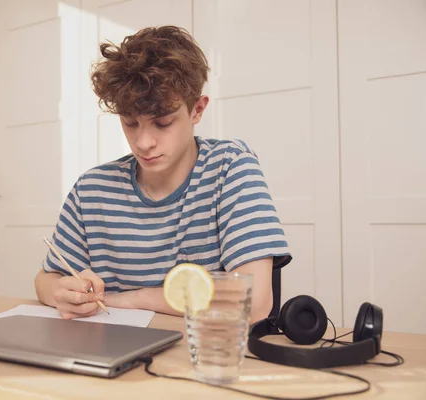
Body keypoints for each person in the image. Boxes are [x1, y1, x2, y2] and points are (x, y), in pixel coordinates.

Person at [34, 25, 292, 323]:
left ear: (197, 110)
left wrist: (136, 297)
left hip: (194, 356)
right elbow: (46, 279)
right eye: (130, 123)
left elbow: (255, 301)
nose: (143, 143)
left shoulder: (230, 167)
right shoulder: (91, 189)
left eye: (163, 122)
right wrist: (61, 292)